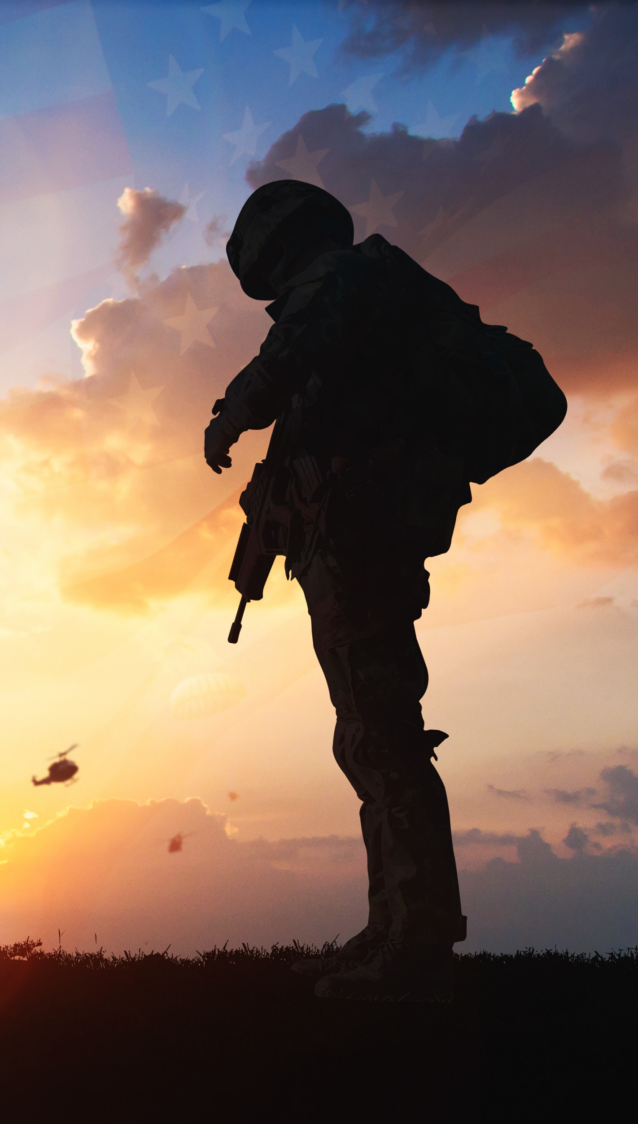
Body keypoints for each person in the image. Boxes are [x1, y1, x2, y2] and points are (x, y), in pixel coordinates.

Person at [205, 180, 506, 1001]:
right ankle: (395, 928)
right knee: (368, 735)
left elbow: (291, 353)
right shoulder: (356, 305)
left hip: (364, 537)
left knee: (382, 734)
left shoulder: (338, 281)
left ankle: (416, 949)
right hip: (349, 539)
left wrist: (233, 412)